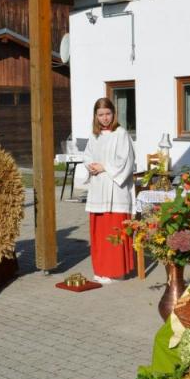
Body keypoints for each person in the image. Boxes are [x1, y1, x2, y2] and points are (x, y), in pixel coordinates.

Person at [82, 97, 137, 284]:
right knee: (99, 232)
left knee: (115, 230)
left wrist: (104, 167)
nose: (104, 118)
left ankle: (117, 270)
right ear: (95, 116)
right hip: (98, 188)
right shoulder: (94, 135)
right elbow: (87, 156)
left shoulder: (121, 134)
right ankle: (101, 269)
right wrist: (91, 166)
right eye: (100, 115)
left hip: (115, 189)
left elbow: (126, 161)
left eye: (107, 114)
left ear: (113, 114)